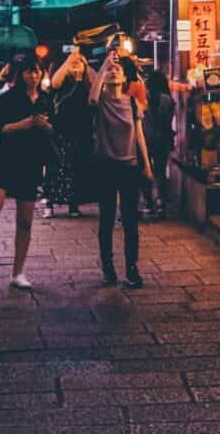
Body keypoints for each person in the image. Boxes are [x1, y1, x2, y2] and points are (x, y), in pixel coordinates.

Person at [0, 53, 54, 288]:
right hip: (6, 158)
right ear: (21, 73)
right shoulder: (7, 98)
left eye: (37, 71)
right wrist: (22, 125)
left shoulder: (46, 99)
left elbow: (55, 130)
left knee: (25, 220)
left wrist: (47, 127)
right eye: (28, 71)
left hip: (31, 162)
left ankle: (18, 273)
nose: (33, 76)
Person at [89, 51, 153, 289]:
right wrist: (106, 63)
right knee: (106, 220)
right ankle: (108, 268)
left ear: (126, 77)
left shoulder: (132, 102)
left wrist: (146, 165)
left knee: (130, 221)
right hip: (105, 166)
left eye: (117, 69)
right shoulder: (100, 101)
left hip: (129, 167)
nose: (113, 71)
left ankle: (132, 268)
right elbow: (92, 97)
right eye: (109, 70)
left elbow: (139, 135)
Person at [43, 48, 97, 218]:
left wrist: (83, 65)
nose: (75, 66)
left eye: (79, 63)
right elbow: (55, 82)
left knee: (77, 168)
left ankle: (74, 205)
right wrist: (70, 60)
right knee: (56, 167)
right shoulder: (62, 83)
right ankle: (50, 203)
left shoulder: (88, 82)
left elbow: (96, 85)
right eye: (72, 64)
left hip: (81, 131)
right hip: (61, 130)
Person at [141, 70, 175, 216]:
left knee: (145, 170)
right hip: (163, 139)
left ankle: (148, 201)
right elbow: (169, 120)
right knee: (160, 171)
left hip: (146, 139)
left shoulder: (143, 98)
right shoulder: (168, 100)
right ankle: (160, 202)